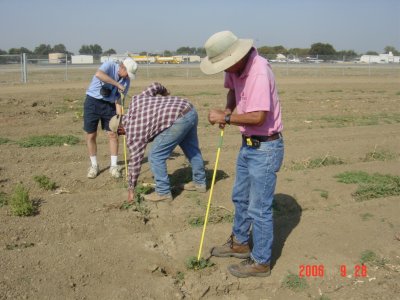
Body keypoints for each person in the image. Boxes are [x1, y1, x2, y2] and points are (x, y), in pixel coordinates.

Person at [200, 31, 284, 278]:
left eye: (226, 64)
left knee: (259, 208)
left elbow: (258, 117)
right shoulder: (235, 68)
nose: (225, 69)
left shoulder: (258, 71)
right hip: (248, 144)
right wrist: (227, 109)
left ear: (237, 55)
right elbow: (232, 92)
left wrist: (226, 117)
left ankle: (261, 262)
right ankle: (239, 242)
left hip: (266, 148)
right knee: (240, 197)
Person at [109, 82, 206, 202]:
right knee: (192, 150)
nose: (123, 135)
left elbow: (135, 162)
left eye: (121, 133)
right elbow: (155, 86)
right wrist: (165, 93)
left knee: (155, 156)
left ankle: (163, 192)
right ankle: (200, 183)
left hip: (178, 119)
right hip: (189, 109)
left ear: (120, 128)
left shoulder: (133, 132)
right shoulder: (136, 101)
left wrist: (131, 188)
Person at [83, 57, 138, 179]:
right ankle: (94, 166)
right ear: (122, 67)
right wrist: (117, 83)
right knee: (91, 135)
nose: (127, 77)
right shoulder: (109, 65)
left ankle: (113, 166)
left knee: (113, 134)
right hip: (92, 101)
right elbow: (98, 74)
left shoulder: (126, 81)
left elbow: (118, 100)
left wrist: (120, 121)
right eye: (127, 74)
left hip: (109, 106)